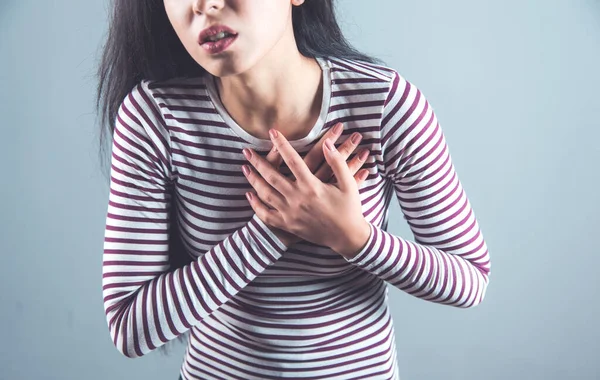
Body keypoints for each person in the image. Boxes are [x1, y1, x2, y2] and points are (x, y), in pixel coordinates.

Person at [96, 1, 492, 379]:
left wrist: (353, 237)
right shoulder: (155, 118)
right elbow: (130, 327)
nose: (205, 4)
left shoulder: (384, 105)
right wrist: (273, 231)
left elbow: (470, 279)